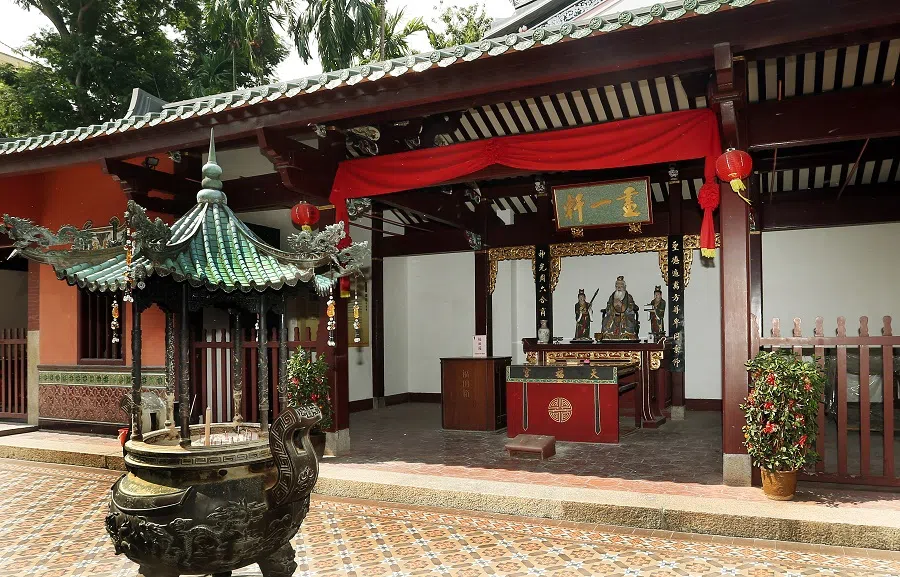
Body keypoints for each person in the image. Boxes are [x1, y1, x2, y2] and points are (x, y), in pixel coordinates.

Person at [599, 276, 639, 341]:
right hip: (613, 316)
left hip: (625, 316)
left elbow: (631, 309)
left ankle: (626, 335)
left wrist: (622, 305)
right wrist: (613, 306)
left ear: (624, 287)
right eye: (617, 286)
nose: (619, 288)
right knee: (605, 323)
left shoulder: (628, 297)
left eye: (621, 286)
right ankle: (608, 336)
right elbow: (608, 309)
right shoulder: (612, 297)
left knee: (629, 324)